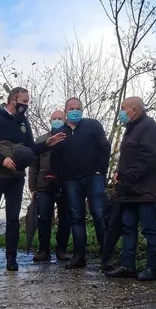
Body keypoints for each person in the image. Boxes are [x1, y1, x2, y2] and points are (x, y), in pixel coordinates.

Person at [0, 87, 65, 272]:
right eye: (24, 101)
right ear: (13, 100)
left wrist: (47, 144)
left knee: (13, 219)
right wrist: (2, 159)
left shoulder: (24, 123)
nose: (26, 105)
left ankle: (11, 259)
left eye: (28, 102)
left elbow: (30, 148)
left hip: (16, 176)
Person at [106, 96, 156, 281]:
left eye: (123, 108)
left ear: (134, 110)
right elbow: (128, 157)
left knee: (148, 230)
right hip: (128, 191)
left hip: (144, 191)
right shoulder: (130, 128)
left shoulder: (149, 127)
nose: (121, 112)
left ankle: (152, 268)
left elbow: (149, 157)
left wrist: (128, 175)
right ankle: (127, 265)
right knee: (128, 227)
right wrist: (119, 172)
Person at [51, 97, 111, 270]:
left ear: (83, 109)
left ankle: (106, 255)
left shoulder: (93, 125)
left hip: (94, 177)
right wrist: (58, 180)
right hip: (71, 181)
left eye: (78, 107)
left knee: (99, 215)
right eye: (71, 108)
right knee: (76, 218)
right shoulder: (59, 132)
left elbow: (104, 146)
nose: (75, 110)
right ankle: (79, 256)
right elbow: (55, 159)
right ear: (65, 111)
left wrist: (102, 170)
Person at [28, 109, 71, 262]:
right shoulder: (41, 140)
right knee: (44, 217)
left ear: (65, 120)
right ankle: (43, 249)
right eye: (54, 118)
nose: (57, 120)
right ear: (50, 121)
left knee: (66, 218)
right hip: (43, 185)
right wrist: (32, 187)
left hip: (65, 185)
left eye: (60, 118)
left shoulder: (70, 139)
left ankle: (62, 249)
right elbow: (33, 165)